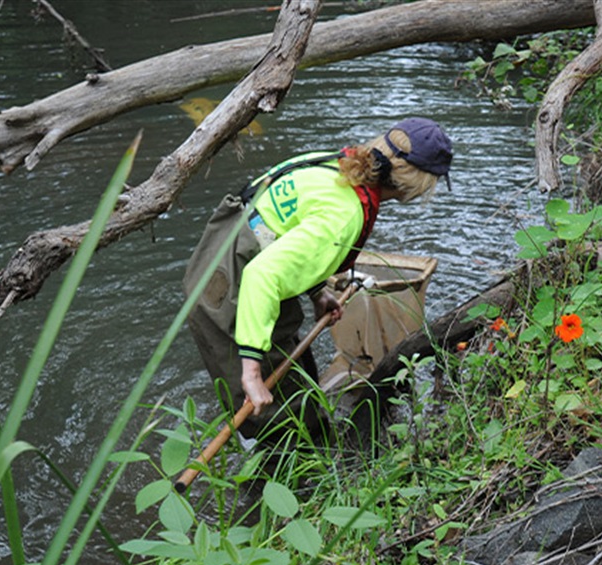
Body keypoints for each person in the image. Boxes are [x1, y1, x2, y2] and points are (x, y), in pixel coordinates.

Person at [182, 117, 453, 443]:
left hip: (225, 247)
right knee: (277, 426)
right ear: (414, 183)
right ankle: (275, 481)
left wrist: (316, 293)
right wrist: (252, 373)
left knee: (302, 388)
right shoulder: (345, 216)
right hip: (231, 291)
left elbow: (283, 233)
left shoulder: (336, 164)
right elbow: (262, 274)